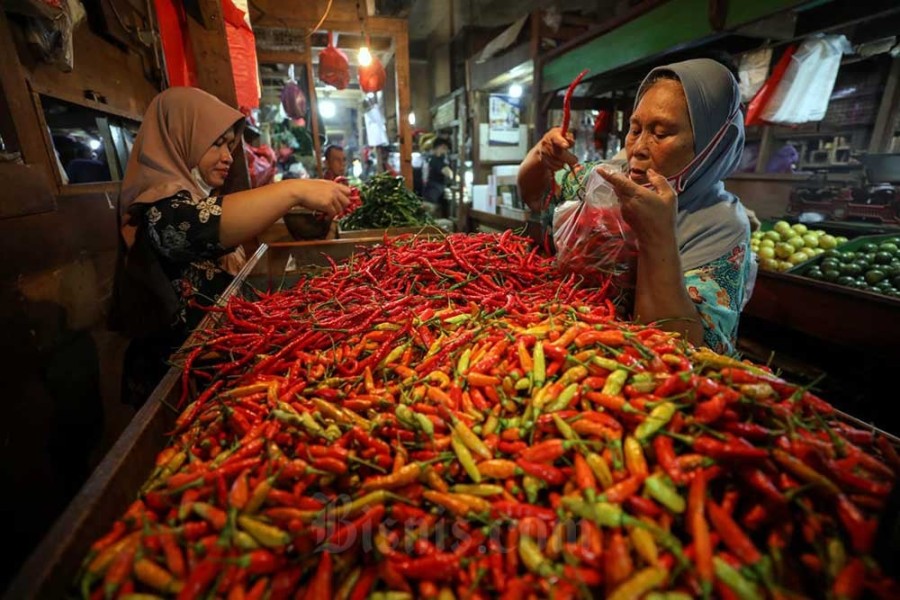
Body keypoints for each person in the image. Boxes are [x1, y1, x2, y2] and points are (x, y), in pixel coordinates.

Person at [111, 87, 351, 406]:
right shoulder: (159, 210)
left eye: (230, 145)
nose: (228, 156)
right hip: (175, 383)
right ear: (181, 136)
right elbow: (199, 228)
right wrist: (293, 191)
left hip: (218, 366)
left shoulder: (193, 198)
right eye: (217, 144)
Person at [518, 59, 753, 354]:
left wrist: (656, 235)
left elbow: (685, 352)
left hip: (636, 378)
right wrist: (543, 155)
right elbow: (536, 195)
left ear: (714, 144)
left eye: (661, 133)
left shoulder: (721, 226)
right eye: (635, 129)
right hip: (567, 346)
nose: (638, 148)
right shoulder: (608, 182)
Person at [423, 137, 453, 217]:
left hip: (431, 193)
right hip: (432, 195)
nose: (446, 152)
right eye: (445, 149)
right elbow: (449, 173)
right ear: (441, 147)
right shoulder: (436, 160)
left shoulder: (430, 158)